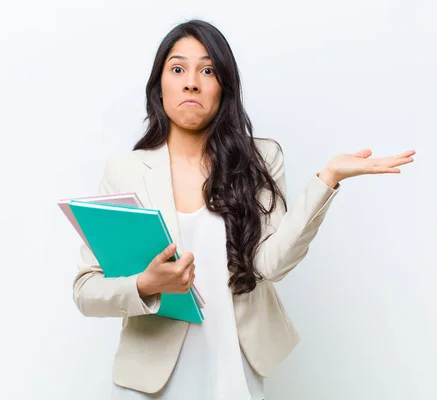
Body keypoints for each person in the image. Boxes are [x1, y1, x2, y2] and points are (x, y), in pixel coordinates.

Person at [72, 19, 415, 400]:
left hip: (234, 367)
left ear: (224, 88)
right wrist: (145, 285)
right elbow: (87, 290)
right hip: (150, 376)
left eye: (207, 70)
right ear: (159, 86)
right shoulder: (125, 171)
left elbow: (271, 265)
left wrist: (327, 179)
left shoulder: (260, 160)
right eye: (177, 69)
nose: (191, 82)